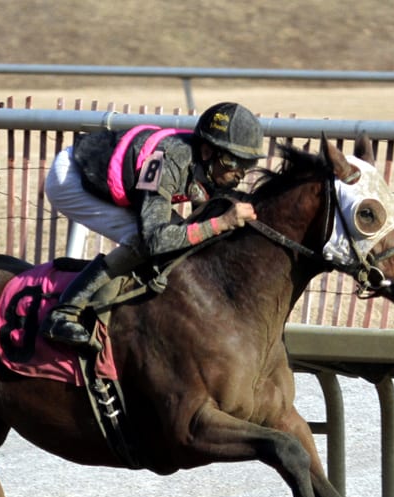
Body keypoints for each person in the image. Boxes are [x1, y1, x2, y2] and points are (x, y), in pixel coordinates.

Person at [41, 101, 265, 348]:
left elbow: (201, 218)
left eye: (247, 165)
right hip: (72, 180)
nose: (239, 174)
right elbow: (155, 239)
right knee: (142, 241)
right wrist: (220, 223)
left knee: (182, 235)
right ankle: (65, 311)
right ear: (206, 152)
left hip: (116, 181)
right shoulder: (164, 162)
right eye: (233, 163)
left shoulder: (211, 166)